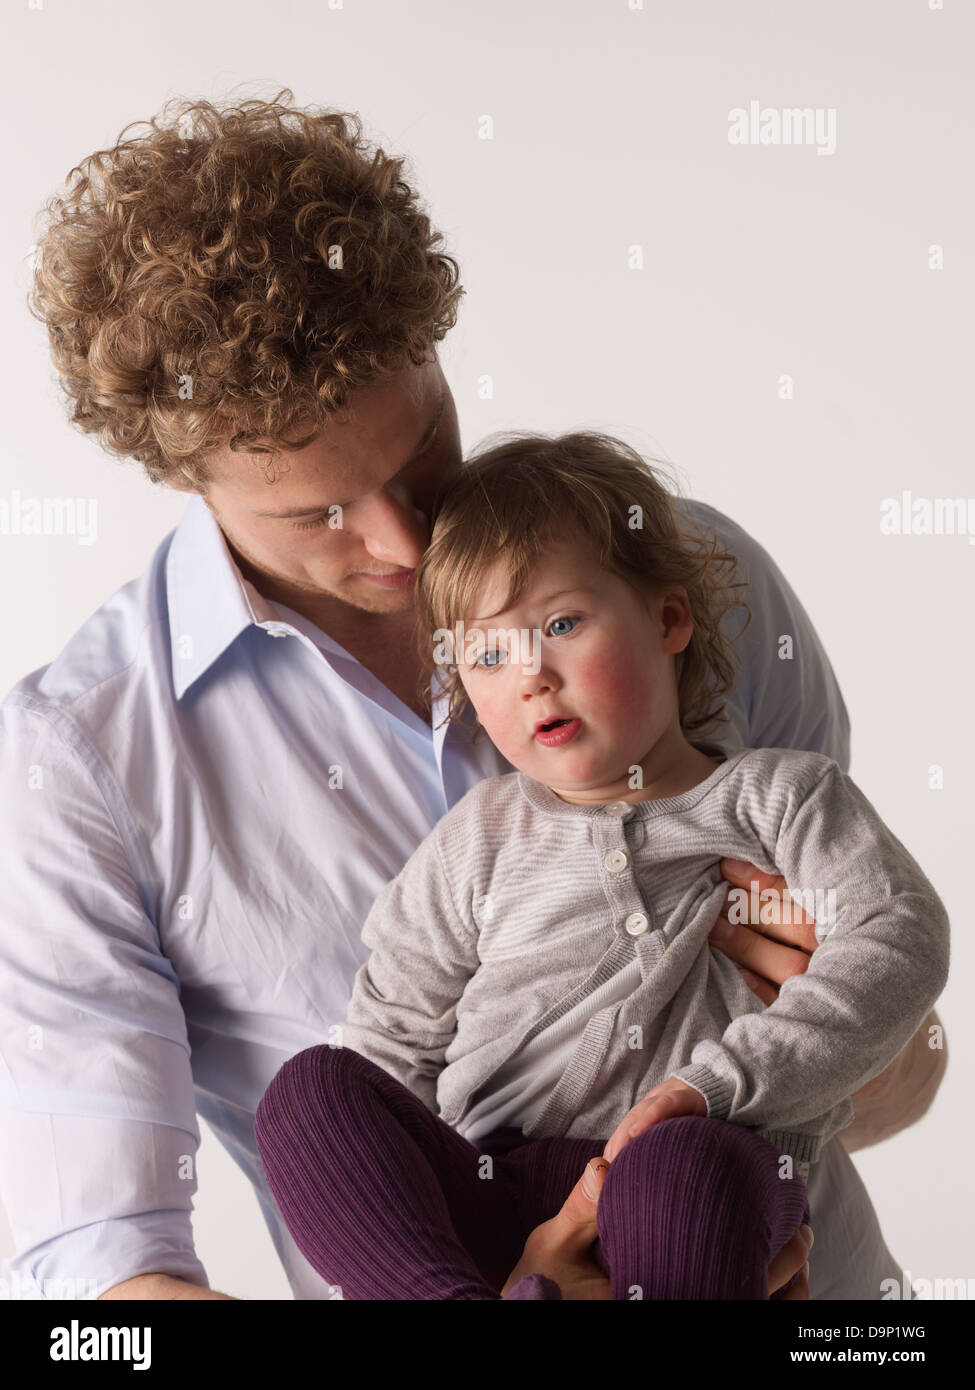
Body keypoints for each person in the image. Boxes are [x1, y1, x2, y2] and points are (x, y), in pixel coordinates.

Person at [0, 91, 945, 1302]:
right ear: (180, 472)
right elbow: (100, 1289)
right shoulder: (83, 763)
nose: (403, 541)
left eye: (424, 446)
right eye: (318, 513)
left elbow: (911, 1064)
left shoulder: (688, 576)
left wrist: (796, 1042)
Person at [253, 432, 950, 1300]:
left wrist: (714, 1087)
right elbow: (389, 1045)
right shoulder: (476, 840)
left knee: (680, 1173)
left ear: (667, 620)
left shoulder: (779, 795)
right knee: (311, 1091)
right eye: (490, 653)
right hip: (496, 1189)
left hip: (706, 1163)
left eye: (559, 624)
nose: (532, 676)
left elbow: (898, 934)